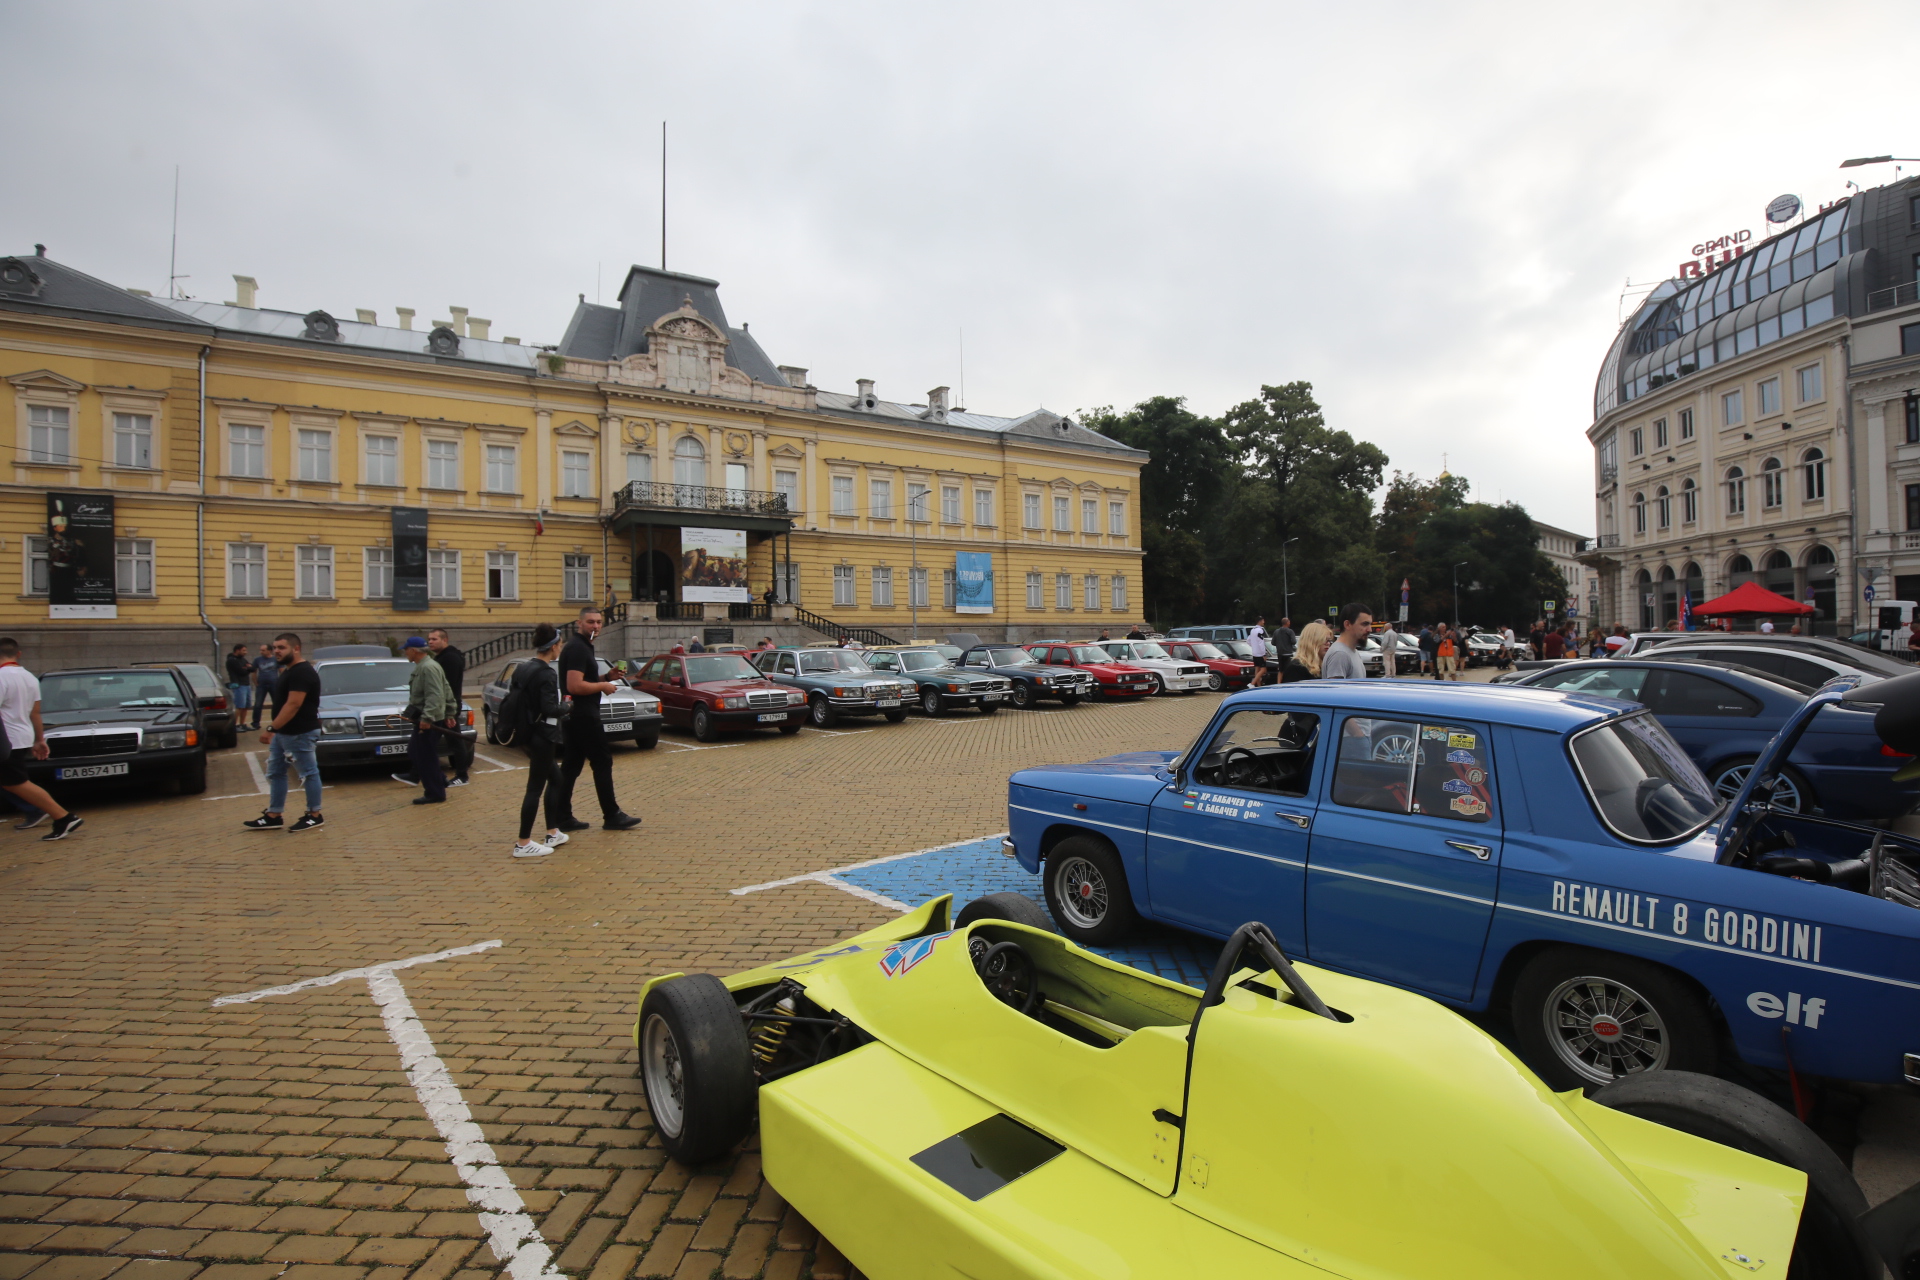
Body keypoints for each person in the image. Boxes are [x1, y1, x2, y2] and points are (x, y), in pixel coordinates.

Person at [559, 606, 643, 832]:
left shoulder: (581, 646)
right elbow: (574, 685)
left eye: (598, 622)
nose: (595, 626)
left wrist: (607, 676)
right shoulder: (577, 648)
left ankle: (562, 816)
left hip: (574, 715)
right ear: (579, 623)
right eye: (590, 622)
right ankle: (612, 815)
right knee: (602, 762)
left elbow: (583, 678)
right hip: (584, 715)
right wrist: (604, 686)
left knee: (572, 766)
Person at [0, 638, 81, 840]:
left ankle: (63, 816)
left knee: (17, 783)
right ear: (18, 654)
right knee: (13, 783)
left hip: (6, 738)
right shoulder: (29, 677)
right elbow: (35, 712)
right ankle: (60, 816)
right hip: (21, 736)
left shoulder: (1, 677)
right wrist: (40, 739)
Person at [243, 632, 325, 831]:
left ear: (296, 648)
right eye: (275, 648)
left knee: (308, 773)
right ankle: (274, 814)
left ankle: (314, 814)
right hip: (284, 733)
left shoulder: (302, 672)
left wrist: (271, 729)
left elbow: (293, 704)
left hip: (300, 732)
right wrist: (277, 731)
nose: (276, 651)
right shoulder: (289, 670)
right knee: (276, 772)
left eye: (281, 647)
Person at [508, 623, 571, 859]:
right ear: (554, 646)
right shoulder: (546, 673)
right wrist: (567, 706)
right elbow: (549, 709)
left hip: (525, 733)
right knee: (535, 788)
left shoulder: (523, 668)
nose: (561, 648)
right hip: (541, 735)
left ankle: (553, 831)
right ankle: (523, 842)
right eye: (560, 644)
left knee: (556, 778)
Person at [399, 636, 453, 806]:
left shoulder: (428, 668)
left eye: (406, 650)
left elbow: (435, 694)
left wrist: (428, 717)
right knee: (415, 751)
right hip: (425, 718)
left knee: (425, 757)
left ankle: (435, 793)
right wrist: (450, 712)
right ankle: (440, 779)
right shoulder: (425, 666)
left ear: (414, 650)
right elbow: (445, 689)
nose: (405, 653)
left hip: (428, 720)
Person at [1323, 603, 1371, 680]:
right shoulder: (1340, 654)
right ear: (1347, 624)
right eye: (1364, 624)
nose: (1369, 629)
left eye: (1370, 624)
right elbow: (1335, 691)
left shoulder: (1351, 651)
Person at [249, 643, 278, 729]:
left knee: (276, 703)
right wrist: (255, 682)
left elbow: (282, 670)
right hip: (262, 685)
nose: (261, 652)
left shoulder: (275, 659)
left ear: (269, 650)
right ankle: (255, 723)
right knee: (258, 704)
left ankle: (276, 722)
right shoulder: (257, 660)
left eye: (263, 650)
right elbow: (253, 671)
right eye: (260, 650)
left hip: (274, 684)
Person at [224, 643, 253, 722]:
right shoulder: (232, 660)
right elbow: (241, 672)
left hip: (247, 684)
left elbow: (253, 668)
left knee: (246, 706)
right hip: (239, 685)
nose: (245, 652)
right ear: (237, 650)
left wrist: (248, 668)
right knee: (239, 706)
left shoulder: (243, 659)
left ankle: (242, 724)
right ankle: (234, 724)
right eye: (243, 650)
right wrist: (248, 668)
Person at [1247, 617, 1270, 686]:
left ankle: (1258, 685)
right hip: (1260, 653)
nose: (1264, 622)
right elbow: (1261, 643)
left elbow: (1248, 641)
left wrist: (1254, 646)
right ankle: (1252, 683)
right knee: (1263, 670)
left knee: (1257, 669)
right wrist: (1264, 654)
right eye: (1263, 621)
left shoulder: (1252, 630)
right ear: (1260, 621)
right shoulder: (1260, 630)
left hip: (1254, 653)